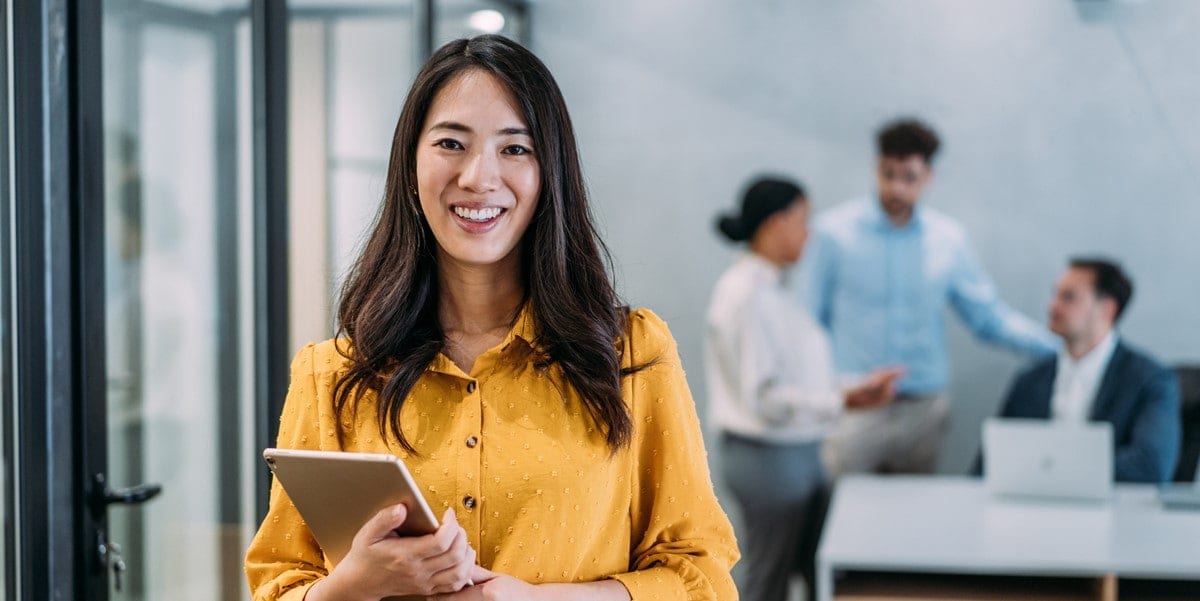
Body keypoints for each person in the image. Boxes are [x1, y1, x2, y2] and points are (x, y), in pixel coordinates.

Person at [245, 35, 739, 601]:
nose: (479, 177)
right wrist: (352, 587)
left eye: (514, 149)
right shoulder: (332, 373)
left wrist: (534, 600)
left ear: (548, 173)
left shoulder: (630, 352)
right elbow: (278, 585)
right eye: (451, 143)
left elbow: (699, 577)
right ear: (410, 165)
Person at [801, 118, 1058, 476]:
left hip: (923, 408)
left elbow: (988, 318)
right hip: (854, 406)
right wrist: (824, 393)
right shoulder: (833, 234)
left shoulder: (948, 240)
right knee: (842, 515)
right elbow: (806, 321)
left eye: (909, 177)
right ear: (877, 168)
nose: (896, 187)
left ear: (929, 177)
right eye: (888, 174)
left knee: (914, 519)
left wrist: (1061, 350)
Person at [706, 176, 900, 601]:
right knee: (770, 580)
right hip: (769, 456)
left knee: (811, 573)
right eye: (803, 221)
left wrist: (851, 389)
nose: (809, 234)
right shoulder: (748, 294)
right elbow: (765, 399)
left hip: (793, 453)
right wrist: (841, 400)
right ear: (776, 223)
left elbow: (796, 376)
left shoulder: (774, 289)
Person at [989, 259, 1180, 483]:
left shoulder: (1150, 381)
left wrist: (1054, 470)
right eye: (1055, 295)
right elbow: (990, 462)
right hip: (1031, 509)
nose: (1052, 306)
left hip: (1114, 512)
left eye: (1068, 297)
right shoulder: (1030, 380)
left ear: (1107, 308)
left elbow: (1150, 467)